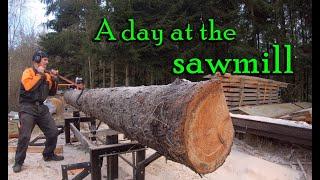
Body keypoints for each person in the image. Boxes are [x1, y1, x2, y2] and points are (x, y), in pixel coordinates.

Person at [13, 50, 64, 173]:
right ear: (37, 59)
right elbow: (29, 87)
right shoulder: (28, 72)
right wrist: (40, 75)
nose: (47, 62)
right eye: (45, 59)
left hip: (41, 108)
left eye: (47, 60)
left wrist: (54, 79)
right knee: (24, 136)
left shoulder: (46, 75)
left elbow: (52, 93)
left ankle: (48, 154)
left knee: (53, 132)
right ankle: (18, 162)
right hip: (27, 108)